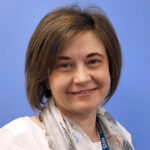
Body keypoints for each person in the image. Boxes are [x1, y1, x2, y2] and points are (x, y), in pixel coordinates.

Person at [0, 5, 134, 150]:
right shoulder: (19, 139)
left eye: (93, 61)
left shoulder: (121, 137)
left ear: (110, 66)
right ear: (45, 77)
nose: (82, 78)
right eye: (65, 65)